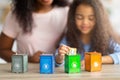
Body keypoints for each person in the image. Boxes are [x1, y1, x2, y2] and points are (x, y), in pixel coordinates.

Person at [55, 0, 120, 67]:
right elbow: (58, 62)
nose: (85, 22)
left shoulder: (106, 38)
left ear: (99, 19)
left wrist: (96, 59)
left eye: (91, 18)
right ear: (73, 18)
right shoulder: (68, 38)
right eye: (79, 18)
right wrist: (60, 58)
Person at [0, 0, 69, 63]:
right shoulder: (16, 16)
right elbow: (2, 50)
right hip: (28, 73)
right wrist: (28, 59)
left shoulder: (67, 12)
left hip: (59, 73)